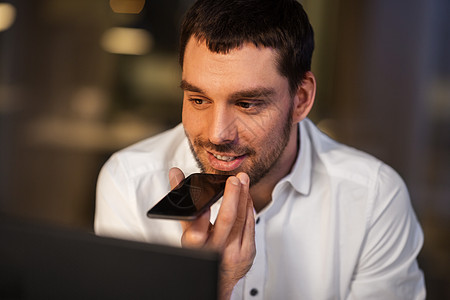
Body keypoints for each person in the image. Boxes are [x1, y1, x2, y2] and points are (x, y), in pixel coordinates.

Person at [95, 0, 426, 299]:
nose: (217, 133)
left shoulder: (373, 199)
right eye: (198, 100)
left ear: (301, 99)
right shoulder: (129, 182)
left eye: (247, 103)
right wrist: (212, 284)